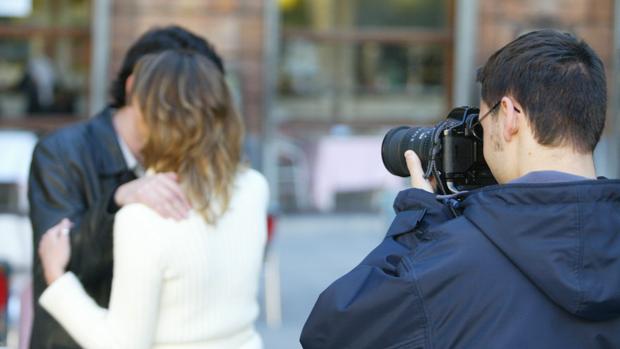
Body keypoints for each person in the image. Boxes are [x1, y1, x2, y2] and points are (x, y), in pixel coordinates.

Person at [300, 29, 620, 348]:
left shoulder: (451, 262)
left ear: (509, 117)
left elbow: (330, 334)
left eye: (482, 122)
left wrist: (416, 225)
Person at [37, 50, 269, 348]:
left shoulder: (143, 219)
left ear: (154, 119)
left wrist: (56, 277)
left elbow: (121, 345)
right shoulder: (254, 188)